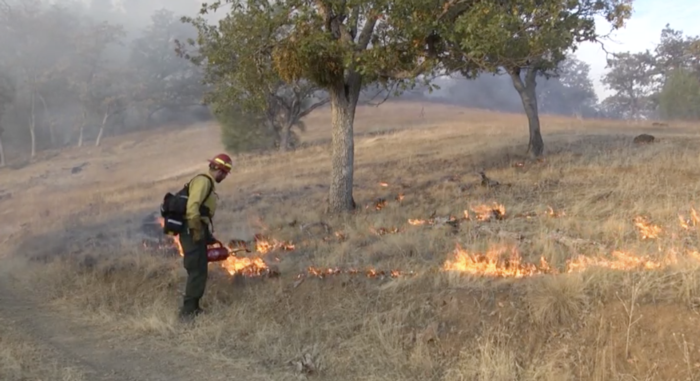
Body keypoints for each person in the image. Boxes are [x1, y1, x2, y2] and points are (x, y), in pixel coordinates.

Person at [178, 153, 233, 321]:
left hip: (197, 229)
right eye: (224, 173)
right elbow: (192, 207)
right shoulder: (203, 181)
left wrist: (208, 237)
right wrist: (196, 230)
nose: (224, 177)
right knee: (196, 269)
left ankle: (194, 308)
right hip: (191, 229)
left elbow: (202, 213)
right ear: (219, 170)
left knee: (200, 269)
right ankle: (187, 313)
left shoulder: (207, 183)